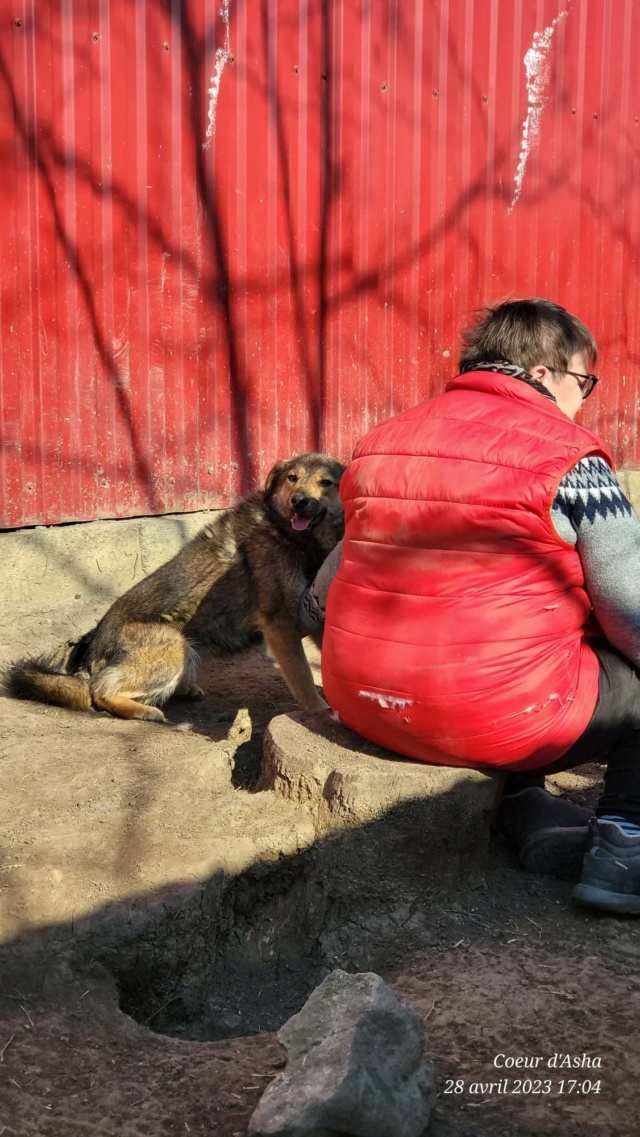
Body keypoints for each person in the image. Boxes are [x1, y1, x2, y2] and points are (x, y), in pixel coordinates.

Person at [301, 298, 640, 916]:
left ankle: (526, 809)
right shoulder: (573, 457)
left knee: (513, 635)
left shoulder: (382, 445)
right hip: (497, 717)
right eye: (582, 382)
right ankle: (625, 856)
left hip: (365, 705)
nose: (583, 401)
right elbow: (631, 610)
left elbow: (319, 602)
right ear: (544, 375)